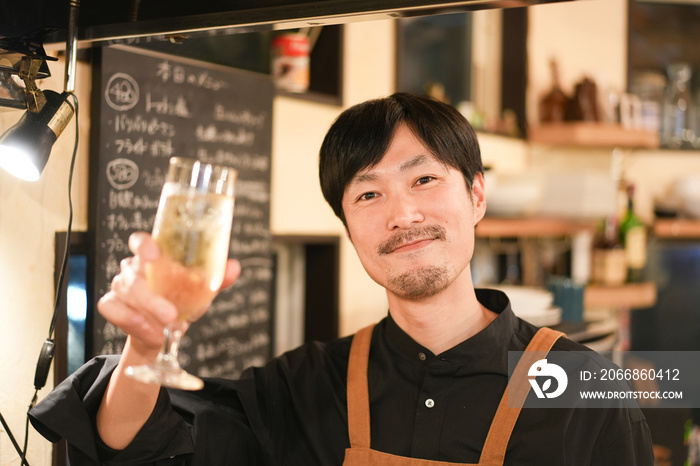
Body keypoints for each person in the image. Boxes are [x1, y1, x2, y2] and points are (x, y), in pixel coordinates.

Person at [29, 93, 654, 465]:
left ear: (477, 195)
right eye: (368, 194)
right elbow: (134, 448)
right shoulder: (303, 388)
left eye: (424, 179)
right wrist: (143, 350)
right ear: (349, 227)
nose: (402, 214)